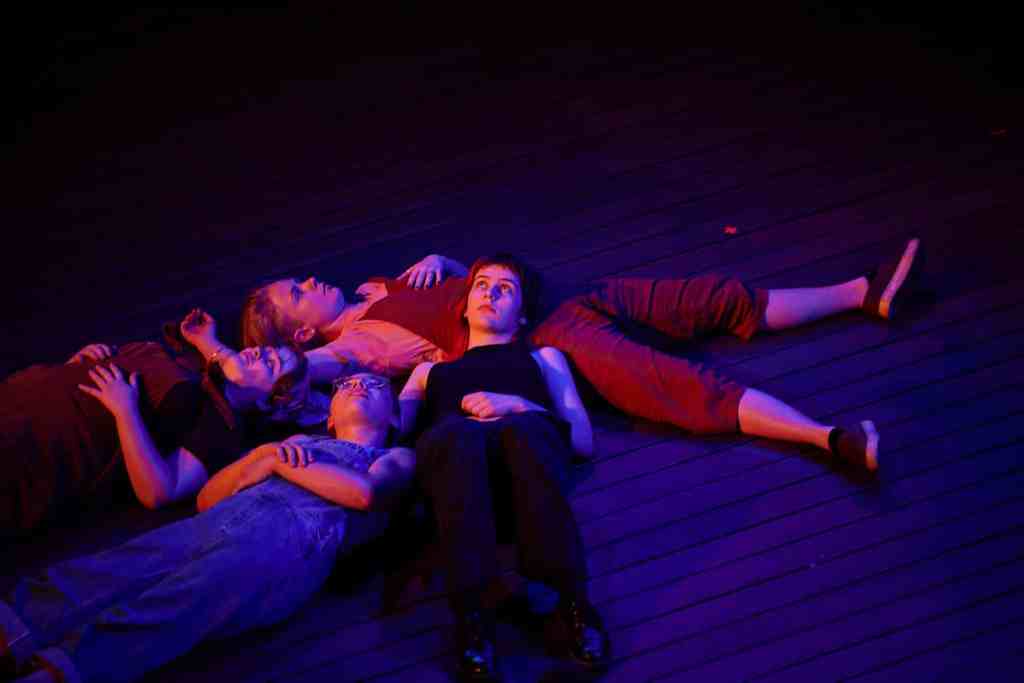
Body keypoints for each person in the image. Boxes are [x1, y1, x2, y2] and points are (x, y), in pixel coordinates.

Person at [241, 239, 923, 474]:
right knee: (683, 386)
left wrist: (442, 262)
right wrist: (221, 352)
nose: (311, 282)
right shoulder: (347, 347)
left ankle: (863, 292)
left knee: (707, 297)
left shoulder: (370, 293)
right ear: (298, 335)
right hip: (548, 340)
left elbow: (449, 282)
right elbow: (299, 381)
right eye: (297, 293)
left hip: (556, 297)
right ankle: (827, 438)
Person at [0, 371, 415, 683]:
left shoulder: (394, 456)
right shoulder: (296, 444)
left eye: (375, 385)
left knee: (178, 602)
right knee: (123, 564)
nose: (358, 387)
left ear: (394, 415)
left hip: (292, 540)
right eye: (347, 384)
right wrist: (264, 458)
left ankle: (62, 671)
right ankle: (16, 625)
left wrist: (273, 463)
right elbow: (207, 500)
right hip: (222, 520)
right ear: (328, 416)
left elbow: (362, 493)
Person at [398, 254, 608, 680]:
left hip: (527, 462)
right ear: (465, 303)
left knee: (524, 431)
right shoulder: (427, 371)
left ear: (523, 312)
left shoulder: (544, 358)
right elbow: (382, 432)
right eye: (481, 285)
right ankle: (472, 616)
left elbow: (582, 440)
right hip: (457, 471)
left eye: (505, 288)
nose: (490, 293)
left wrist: (517, 405)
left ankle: (571, 602)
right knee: (458, 435)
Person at [0, 308, 314, 537]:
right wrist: (78, 366)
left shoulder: (222, 428)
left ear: (265, 402)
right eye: (266, 350)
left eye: (271, 364)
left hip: (43, 447)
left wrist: (125, 411)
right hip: (25, 399)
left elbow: (159, 490)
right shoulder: (194, 362)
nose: (258, 353)